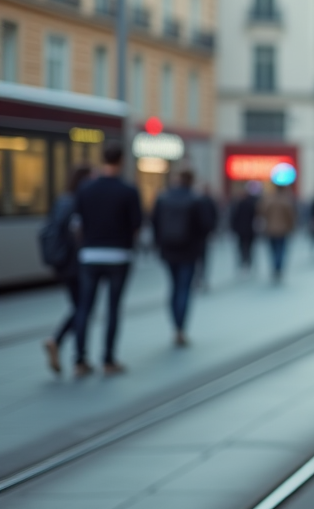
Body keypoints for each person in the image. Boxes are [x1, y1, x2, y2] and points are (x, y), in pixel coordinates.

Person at [72, 141, 144, 376]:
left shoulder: (86, 189)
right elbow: (136, 226)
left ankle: (79, 359)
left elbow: (77, 223)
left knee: (85, 307)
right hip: (118, 255)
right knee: (113, 308)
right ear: (122, 161)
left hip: (90, 254)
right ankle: (108, 359)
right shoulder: (128, 190)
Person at [152, 169, 213, 347]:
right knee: (184, 288)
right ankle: (180, 328)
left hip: (169, 250)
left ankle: (175, 324)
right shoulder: (196, 200)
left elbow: (155, 223)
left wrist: (159, 244)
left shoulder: (163, 198)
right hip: (189, 250)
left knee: (173, 286)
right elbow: (206, 225)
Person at [41, 165, 92, 375]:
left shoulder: (62, 200)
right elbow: (75, 234)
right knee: (83, 308)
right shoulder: (75, 204)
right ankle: (75, 355)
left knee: (78, 306)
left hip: (63, 263)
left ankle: (59, 343)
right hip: (76, 263)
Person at [259, 184, 297, 284]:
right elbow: (290, 216)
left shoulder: (269, 200)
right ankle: (278, 268)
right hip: (282, 229)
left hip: (271, 229)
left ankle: (275, 267)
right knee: (281, 249)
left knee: (273, 250)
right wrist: (291, 228)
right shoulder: (286, 201)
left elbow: (262, 212)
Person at [192, 182, 219, 292]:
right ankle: (200, 279)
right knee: (202, 259)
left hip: (198, 237)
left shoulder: (197, 201)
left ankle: (199, 279)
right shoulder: (199, 201)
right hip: (200, 236)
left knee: (200, 259)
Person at [229, 183, 259, 271]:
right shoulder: (249, 204)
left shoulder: (239, 204)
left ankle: (245, 262)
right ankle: (246, 262)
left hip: (244, 230)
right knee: (245, 247)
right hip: (246, 230)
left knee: (245, 247)